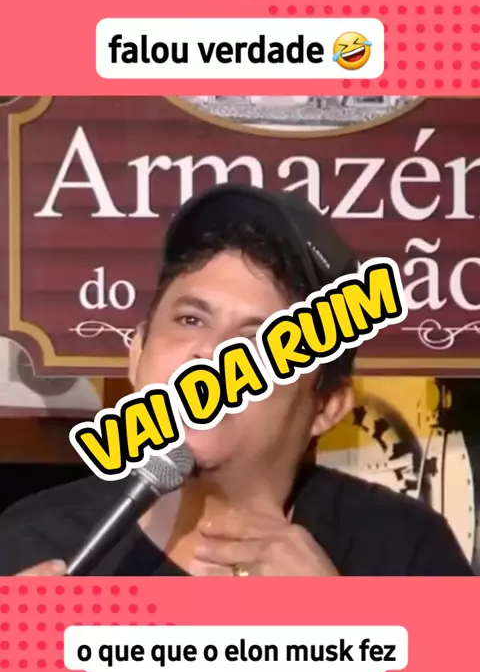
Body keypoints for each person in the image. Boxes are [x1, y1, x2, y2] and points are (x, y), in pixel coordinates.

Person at [0, 183, 473, 577]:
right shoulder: (31, 543)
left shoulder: (405, 553)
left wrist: (341, 632)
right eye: (190, 320)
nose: (212, 353)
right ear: (138, 354)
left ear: (326, 406)